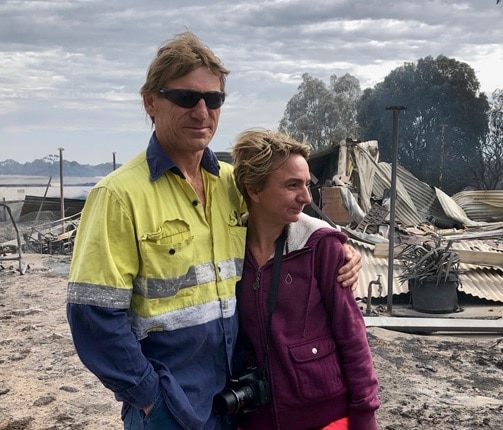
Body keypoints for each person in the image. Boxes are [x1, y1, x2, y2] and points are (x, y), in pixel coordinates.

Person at [66, 32, 361, 430]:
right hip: (169, 407)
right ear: (150, 103)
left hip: (233, 401)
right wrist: (150, 398)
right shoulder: (118, 197)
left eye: (214, 99)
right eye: (186, 97)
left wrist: (337, 242)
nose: (202, 111)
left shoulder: (230, 184)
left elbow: (280, 212)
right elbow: (93, 315)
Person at [231, 129, 380, 430]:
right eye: (292, 185)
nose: (306, 197)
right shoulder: (228, 249)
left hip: (325, 417)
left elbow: (353, 339)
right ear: (254, 189)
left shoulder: (321, 248)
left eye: (307, 184)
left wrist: (365, 415)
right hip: (255, 417)